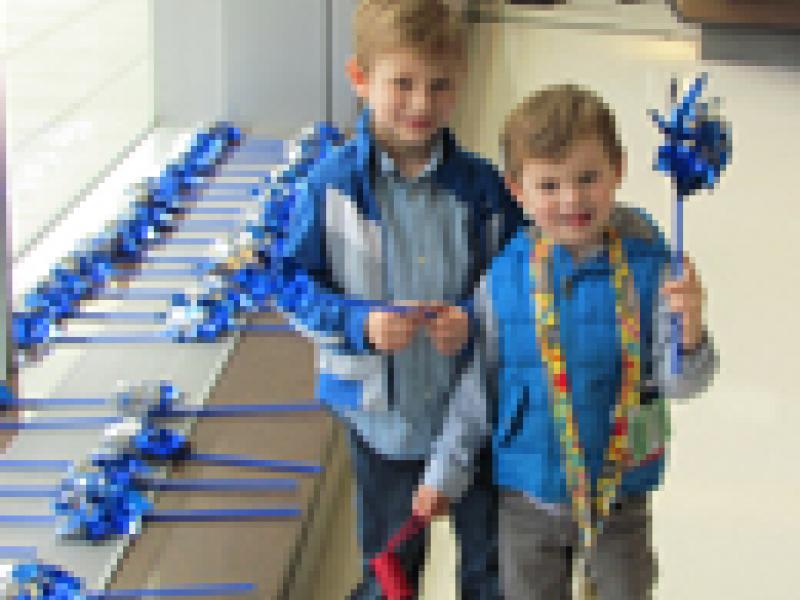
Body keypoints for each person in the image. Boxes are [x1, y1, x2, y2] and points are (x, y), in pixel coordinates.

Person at [271, 1, 521, 597]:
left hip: (473, 414)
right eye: (401, 83)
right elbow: (292, 284)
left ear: (460, 81)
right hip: (382, 423)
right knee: (390, 572)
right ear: (361, 78)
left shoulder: (483, 187)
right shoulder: (330, 185)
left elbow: (516, 278)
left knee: (490, 566)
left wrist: (476, 319)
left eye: (439, 86)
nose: (420, 103)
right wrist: (358, 324)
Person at [461, 83, 718, 599]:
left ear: (618, 170)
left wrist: (690, 328)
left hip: (620, 495)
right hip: (526, 496)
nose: (572, 199)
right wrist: (446, 471)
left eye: (587, 178)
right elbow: (476, 388)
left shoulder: (651, 267)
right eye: (549, 185)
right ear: (518, 190)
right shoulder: (503, 278)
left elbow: (681, 383)